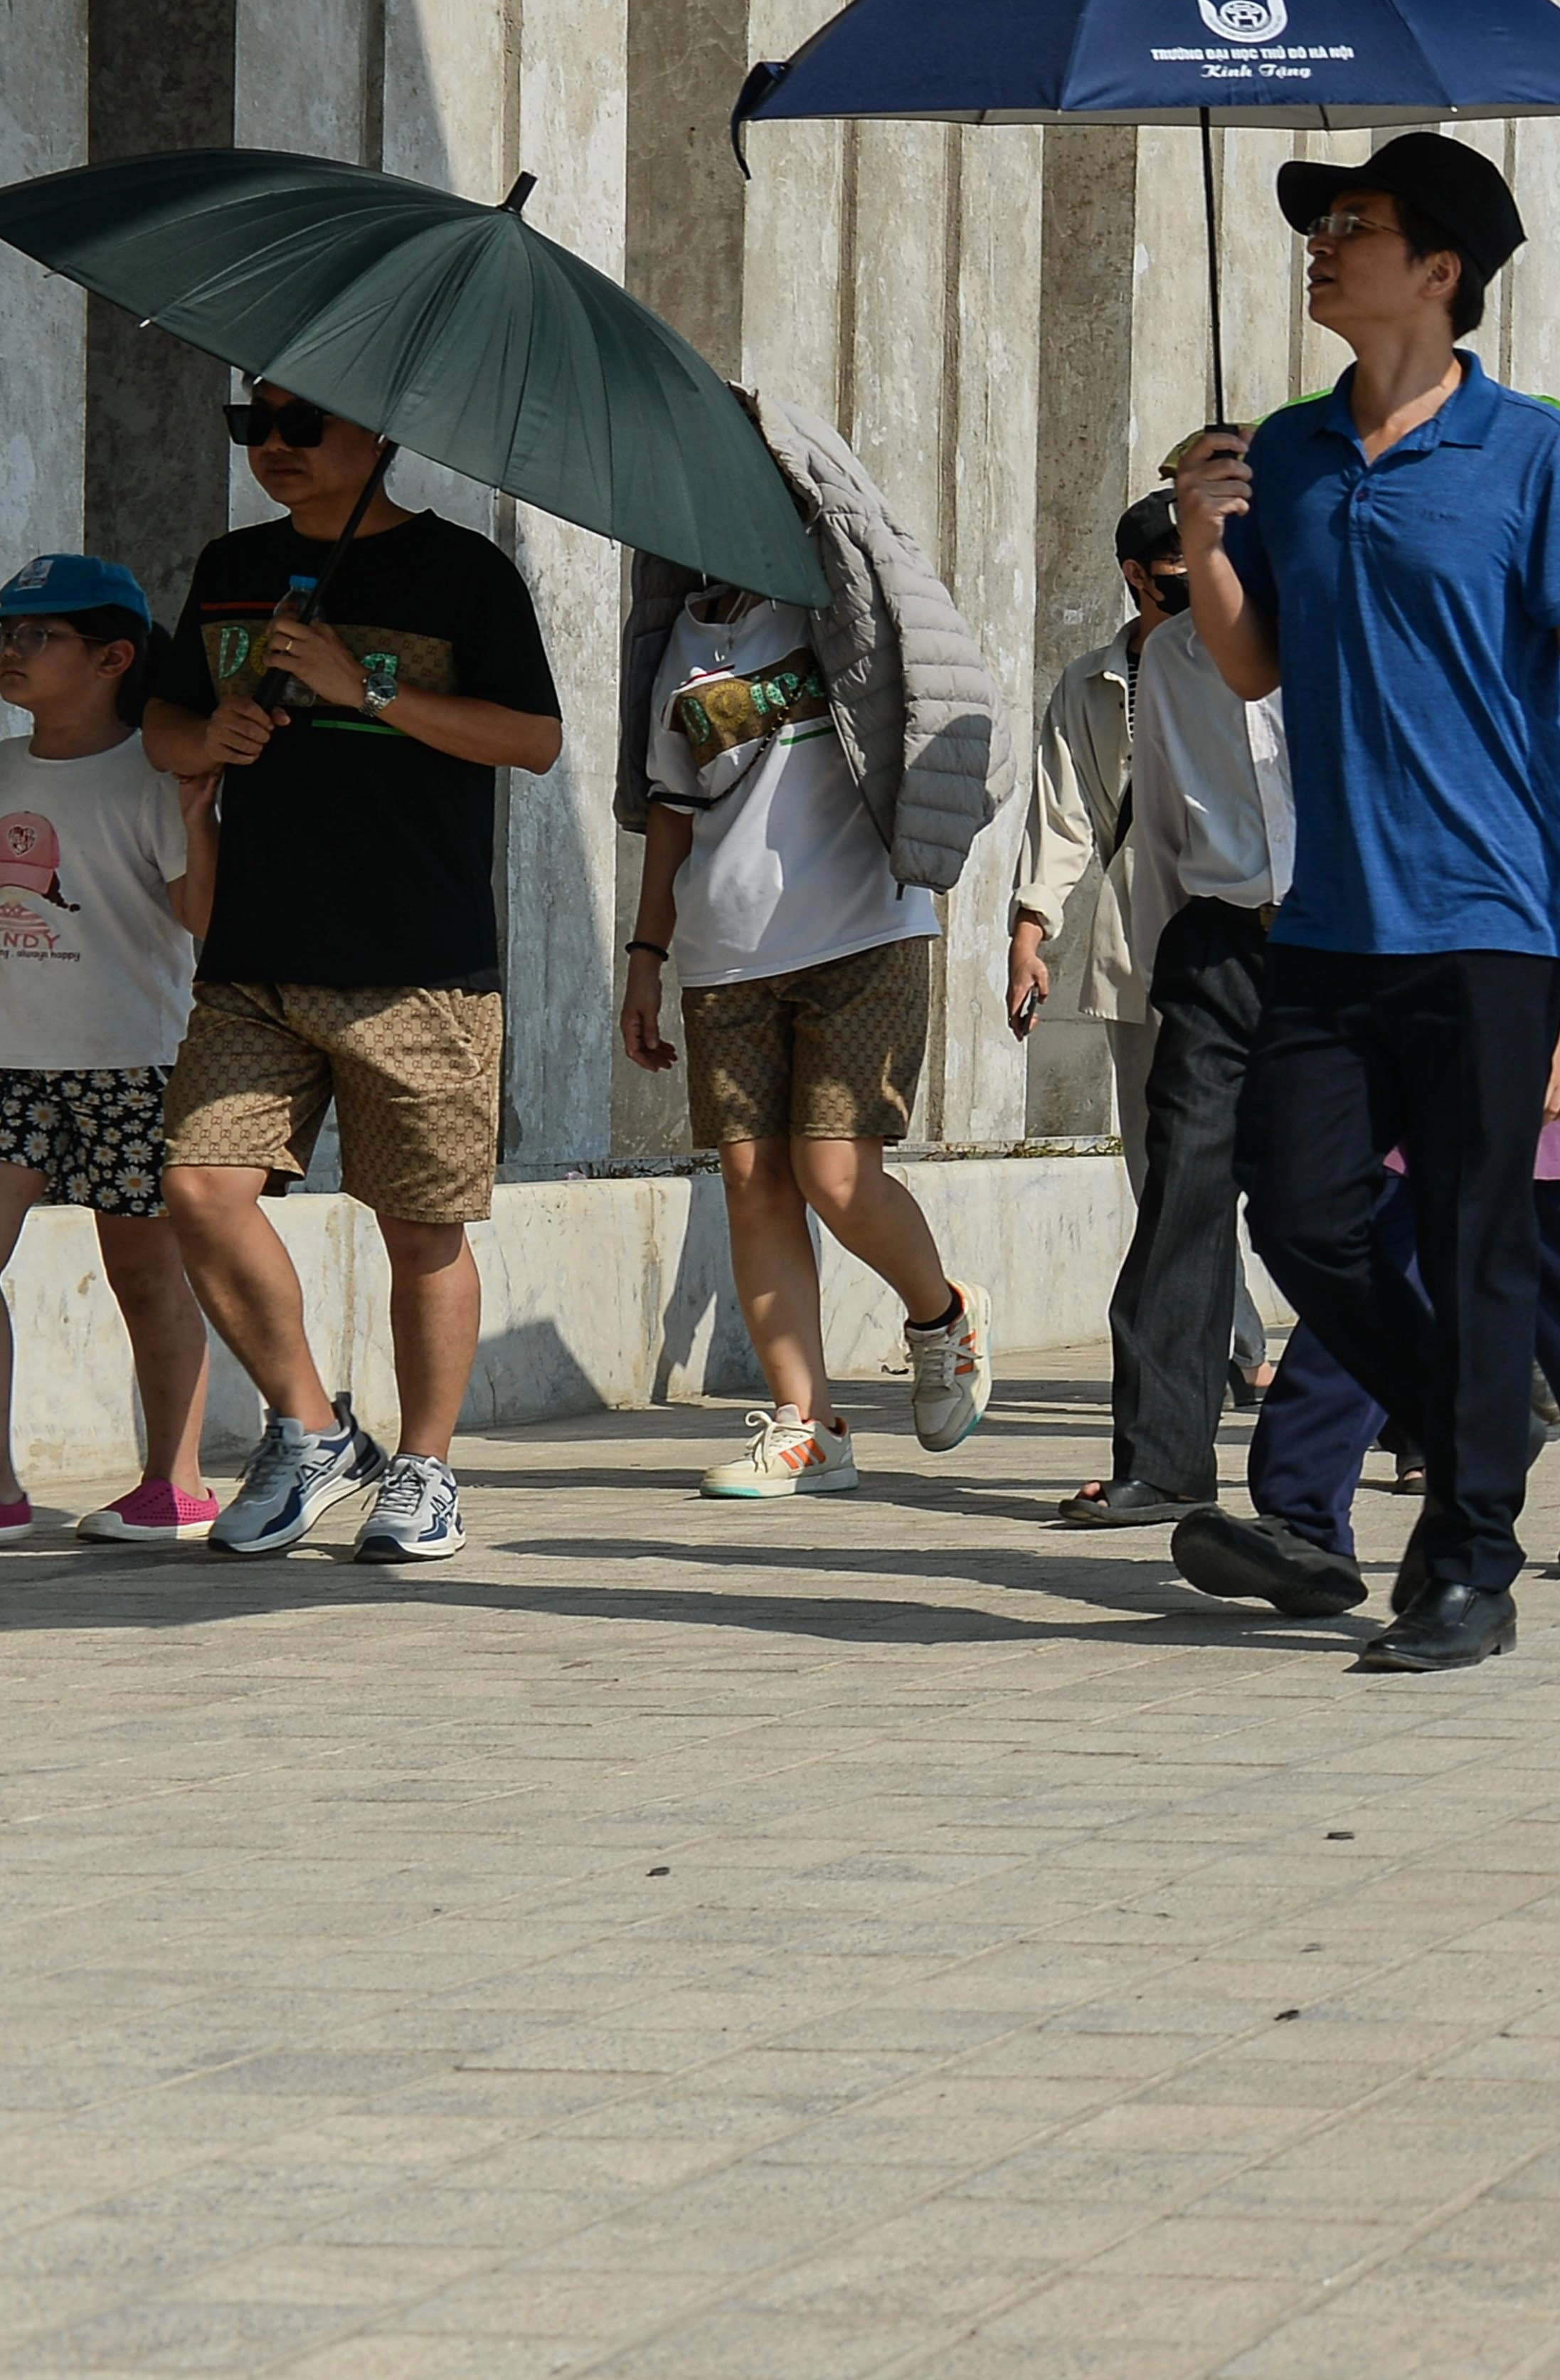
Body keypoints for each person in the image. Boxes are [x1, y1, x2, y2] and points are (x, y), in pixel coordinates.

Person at [1169, 132, 1560, 1676]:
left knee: (1482, 1241)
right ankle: (1470, 1420)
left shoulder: (1532, 453)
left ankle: (1467, 1563)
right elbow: (1254, 660)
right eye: (1317, 224)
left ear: (1441, 269)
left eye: (1354, 223)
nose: (1321, 244)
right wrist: (1210, 540)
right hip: (1333, 915)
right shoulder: (1283, 448)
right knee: (1304, 1210)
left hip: (1492, 919)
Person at [144, 383, 566, 1565]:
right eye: (251, 425)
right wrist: (213, 735)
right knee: (198, 1189)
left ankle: (426, 1470)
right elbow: (165, 730)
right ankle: (311, 1427)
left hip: (418, 964)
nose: (272, 446)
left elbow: (532, 741)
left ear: (378, 439)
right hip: (255, 959)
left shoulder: (463, 573)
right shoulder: (233, 566)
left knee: (419, 1230)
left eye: (300, 425)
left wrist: (363, 685)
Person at [1215, 719, 1560, 1593]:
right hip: (1412, 1044)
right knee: (1367, 1268)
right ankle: (1300, 1516)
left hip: (1538, 1044)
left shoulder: (1544, 708)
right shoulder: (1372, 713)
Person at [615, 559, 992, 1496]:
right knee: (753, 1181)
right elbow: (672, 810)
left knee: (834, 1171)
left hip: (865, 927)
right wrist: (646, 955)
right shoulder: (678, 645)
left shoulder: (838, 605)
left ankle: (942, 1316)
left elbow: (938, 688)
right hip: (726, 950)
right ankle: (807, 1424)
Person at [1056, 441, 1298, 1534]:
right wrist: (1171, 971)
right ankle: (1163, 1455)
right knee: (1182, 1201)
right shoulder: (1171, 671)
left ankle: (1427, 1426)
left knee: (1347, 1203)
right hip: (1212, 946)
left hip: (1343, 944)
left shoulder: (1336, 641)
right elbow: (1153, 833)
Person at [1012, 490, 1265, 1402]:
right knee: (1166, 1165)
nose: (1199, 579)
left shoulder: (1250, 661)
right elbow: (1063, 812)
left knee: (1272, 1162)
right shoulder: (1091, 684)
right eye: (1179, 565)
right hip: (1141, 950)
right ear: (1137, 574)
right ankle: (1229, 1346)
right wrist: (1030, 930)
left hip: (1256, 938)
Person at [0, 556, 218, 1540]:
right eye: (5, 632)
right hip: (7, 1067)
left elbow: (200, 916)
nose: (10, 651)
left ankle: (174, 1482)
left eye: (35, 635)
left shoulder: (159, 774)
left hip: (136, 1063)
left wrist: (199, 815)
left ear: (112, 656)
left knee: (145, 1277)